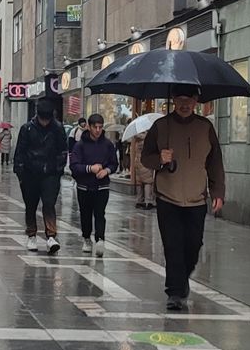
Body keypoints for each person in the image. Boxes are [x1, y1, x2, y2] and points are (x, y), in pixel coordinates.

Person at [141, 88, 225, 311]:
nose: (185, 104)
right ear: (174, 100)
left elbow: (215, 162)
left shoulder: (205, 127)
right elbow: (145, 158)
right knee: (172, 246)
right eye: (180, 100)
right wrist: (160, 159)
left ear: (196, 101)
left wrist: (218, 192)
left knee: (193, 245)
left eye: (189, 100)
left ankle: (182, 279)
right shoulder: (161, 127)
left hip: (197, 198)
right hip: (168, 197)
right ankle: (175, 292)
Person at [13, 98, 67, 253]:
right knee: (31, 205)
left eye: (47, 119)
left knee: (49, 204)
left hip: (50, 173)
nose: (44, 122)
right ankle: (32, 234)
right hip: (30, 173)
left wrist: (58, 169)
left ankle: (51, 235)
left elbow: (63, 150)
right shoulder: (27, 129)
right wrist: (21, 173)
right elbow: (20, 152)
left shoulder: (57, 129)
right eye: (42, 119)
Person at [70, 114, 119, 256]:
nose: (98, 130)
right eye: (95, 127)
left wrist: (106, 171)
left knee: (99, 213)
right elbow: (74, 166)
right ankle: (86, 238)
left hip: (102, 186)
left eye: (100, 127)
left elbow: (114, 163)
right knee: (85, 214)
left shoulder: (108, 144)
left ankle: (100, 239)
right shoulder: (80, 145)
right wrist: (89, 168)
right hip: (84, 186)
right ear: (89, 127)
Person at [130, 133, 156, 209]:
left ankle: (139, 201)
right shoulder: (147, 139)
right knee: (148, 182)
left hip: (137, 163)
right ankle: (148, 201)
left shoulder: (136, 140)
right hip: (146, 162)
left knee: (139, 182)